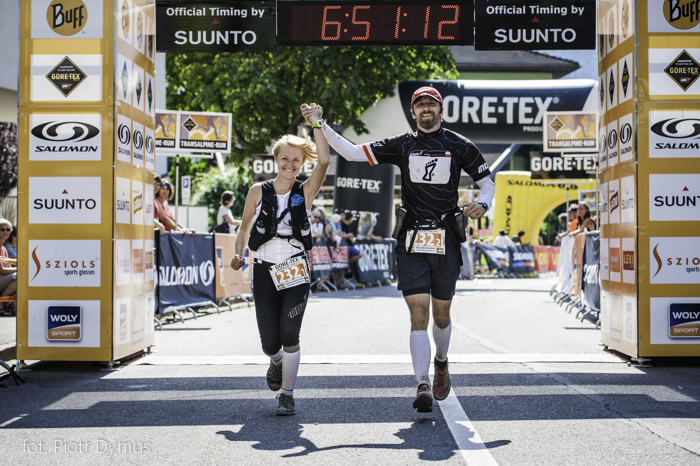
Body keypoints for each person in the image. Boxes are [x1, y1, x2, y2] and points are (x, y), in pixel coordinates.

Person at [310, 86, 495, 413]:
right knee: (418, 313)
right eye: (420, 105)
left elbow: (487, 181)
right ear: (413, 112)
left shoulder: (459, 145)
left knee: (441, 314)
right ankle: (421, 382)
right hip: (410, 238)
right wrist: (320, 125)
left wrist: (482, 203)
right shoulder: (402, 144)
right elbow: (352, 153)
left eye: (431, 104)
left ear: (440, 110)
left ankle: (441, 361)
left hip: (446, 238)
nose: (426, 109)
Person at [230, 103, 329, 416]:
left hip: (295, 269)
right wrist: (237, 253)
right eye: (284, 158)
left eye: (295, 160)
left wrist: (317, 123)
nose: (289, 164)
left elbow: (324, 159)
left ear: (301, 163)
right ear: (275, 160)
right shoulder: (257, 191)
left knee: (290, 334)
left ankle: (287, 393)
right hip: (263, 268)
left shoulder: (306, 190)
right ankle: (275, 363)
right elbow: (244, 228)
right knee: (269, 342)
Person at [0, 219, 17, 316]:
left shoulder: (3, 248)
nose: (5, 232)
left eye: (8, 229)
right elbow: (2, 271)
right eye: (2, 229)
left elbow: (8, 267)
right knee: (18, 276)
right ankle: (1, 303)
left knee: (21, 278)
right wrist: (21, 269)